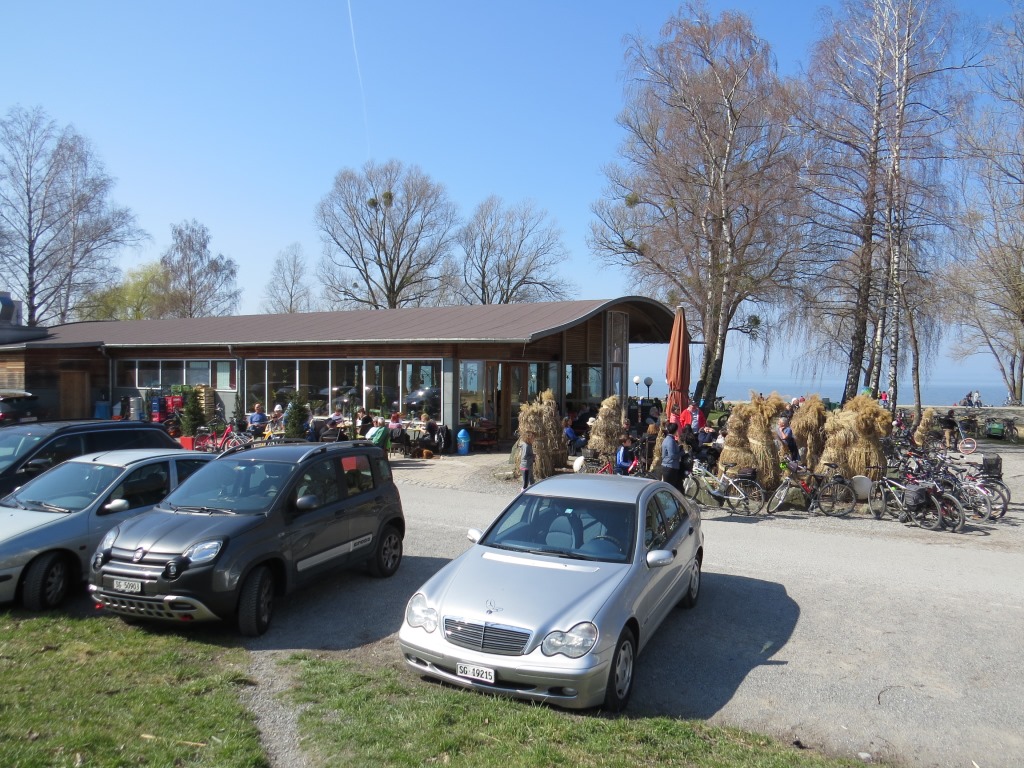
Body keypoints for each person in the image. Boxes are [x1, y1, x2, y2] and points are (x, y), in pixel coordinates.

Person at [660, 422, 682, 491]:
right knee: (670, 489)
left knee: (667, 487)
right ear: (675, 431)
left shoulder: (666, 439)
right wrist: (682, 452)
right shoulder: (670, 441)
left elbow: (664, 454)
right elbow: (672, 455)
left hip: (666, 466)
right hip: (670, 467)